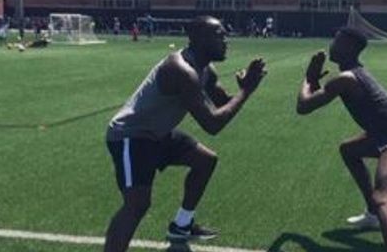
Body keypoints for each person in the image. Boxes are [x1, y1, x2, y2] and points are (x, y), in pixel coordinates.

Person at [103, 16, 267, 252]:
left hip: (158, 133)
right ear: (199, 39)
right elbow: (212, 124)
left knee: (205, 161)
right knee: (137, 204)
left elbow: (223, 103)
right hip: (132, 135)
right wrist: (247, 92)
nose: (226, 40)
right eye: (219, 35)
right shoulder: (180, 69)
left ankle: (182, 225)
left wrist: (242, 91)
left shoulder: (205, 69)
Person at [296, 27, 387, 252]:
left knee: (383, 197)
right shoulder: (353, 73)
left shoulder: (346, 78)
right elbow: (316, 98)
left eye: (336, 41)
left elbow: (304, 106)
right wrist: (314, 82)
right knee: (349, 150)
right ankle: (373, 216)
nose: (332, 45)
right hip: (383, 134)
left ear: (348, 47)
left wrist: (308, 78)